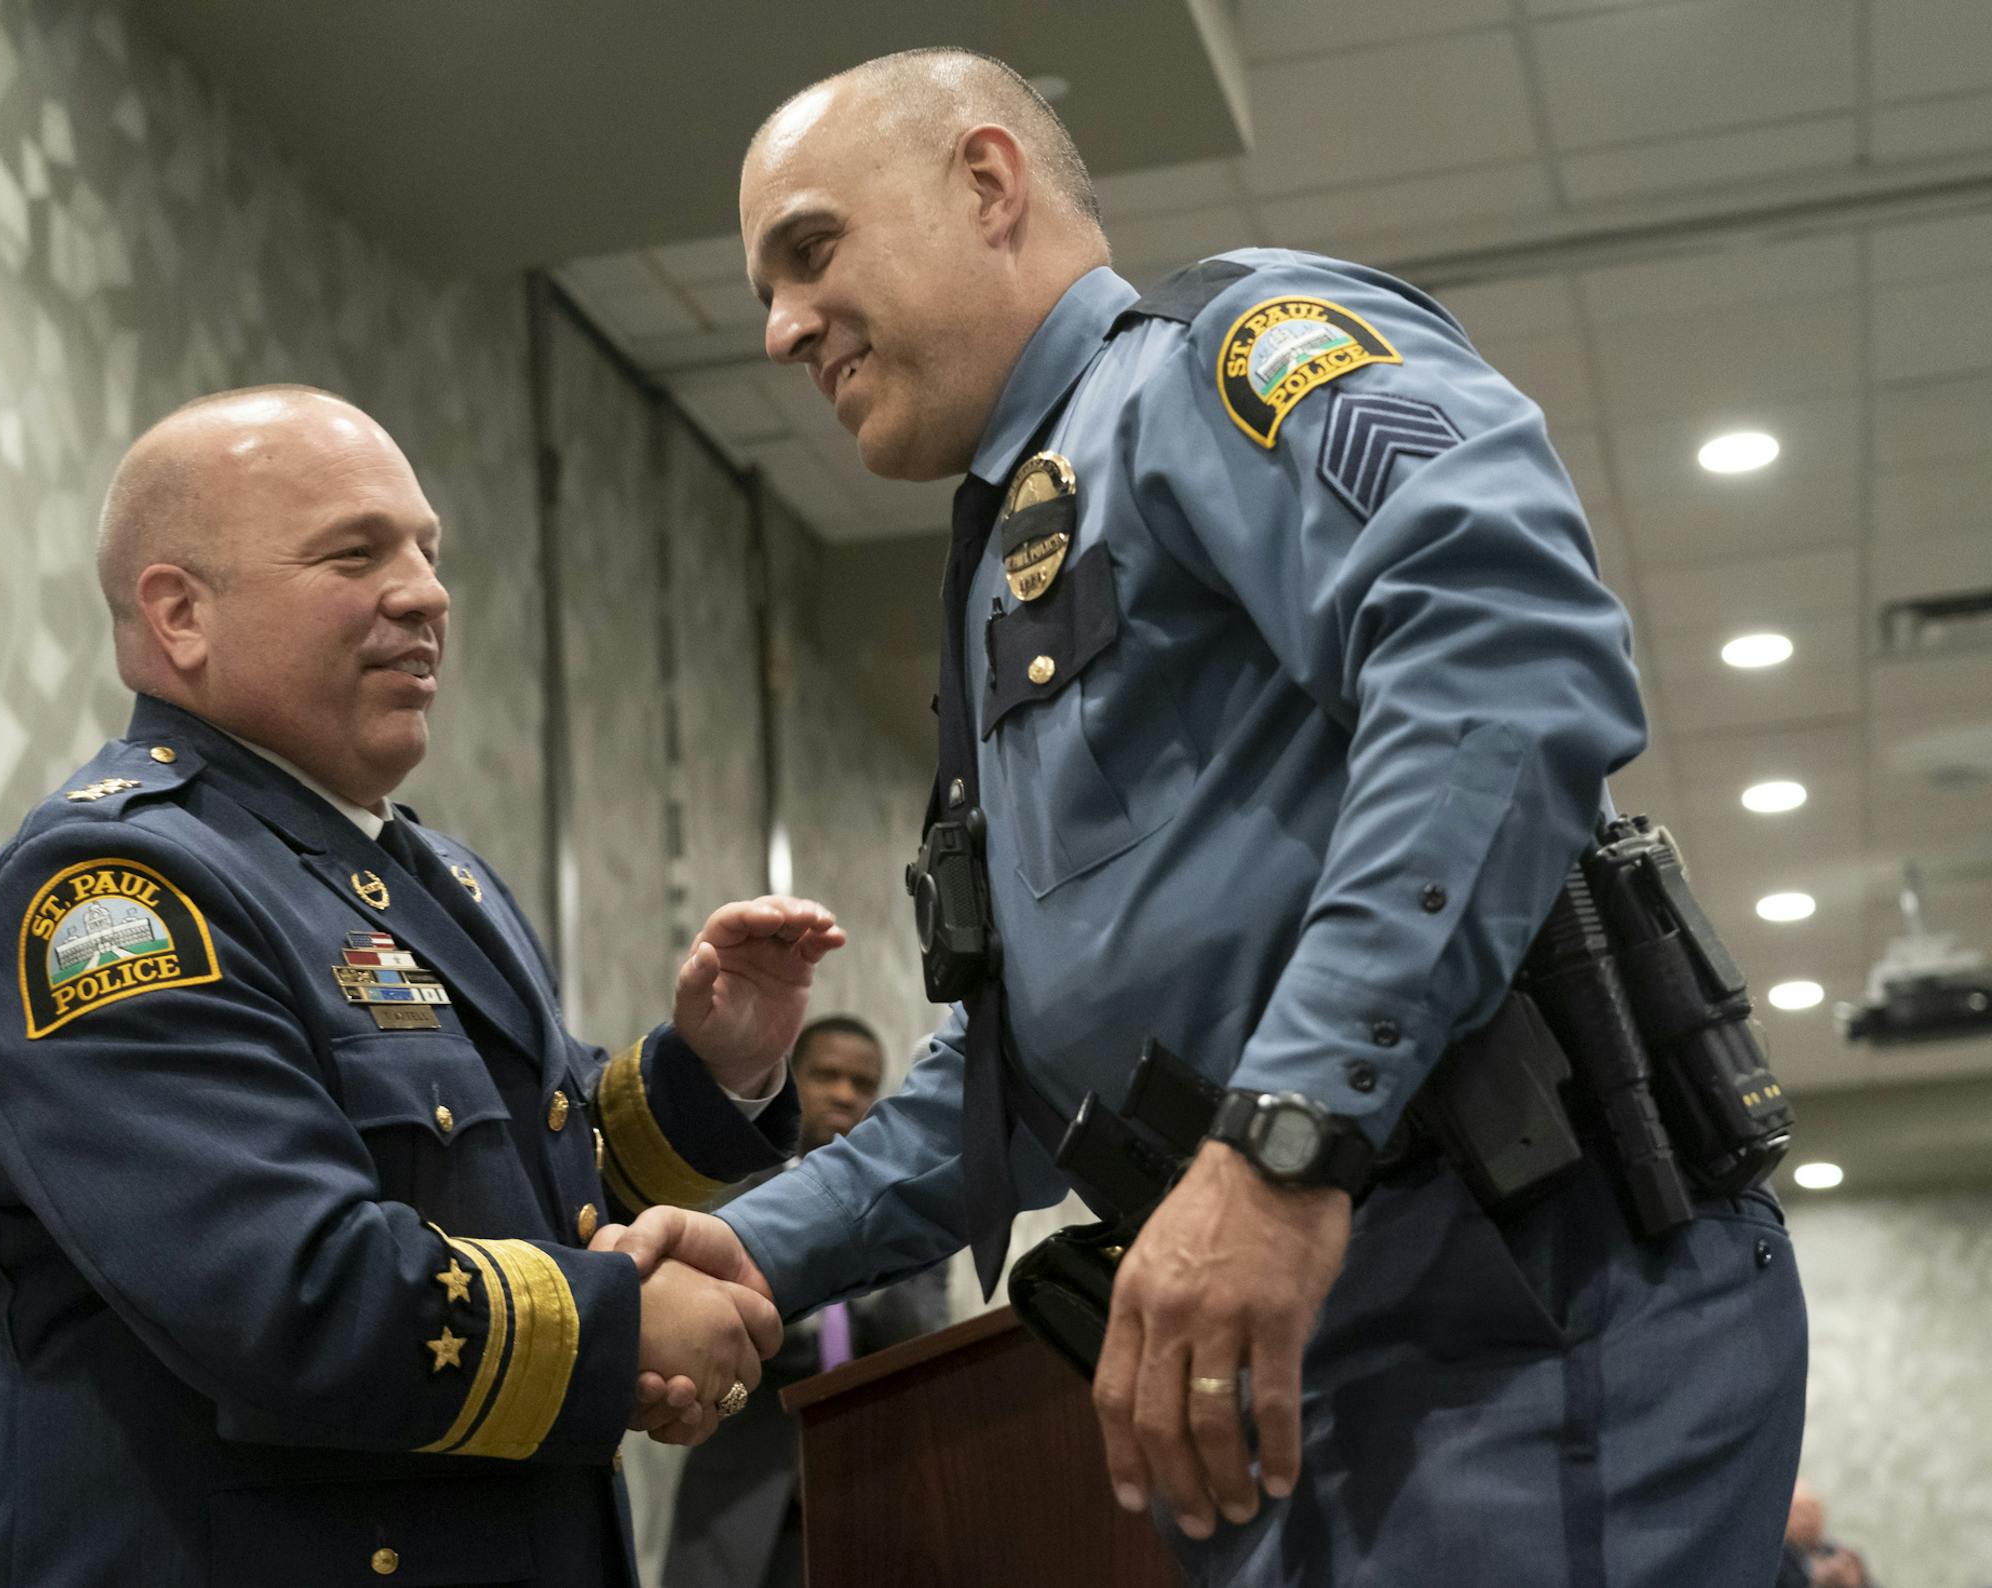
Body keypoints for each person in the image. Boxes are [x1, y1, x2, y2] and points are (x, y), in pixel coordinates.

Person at [601, 47, 1809, 1586]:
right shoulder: (1011, 550)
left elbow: (1503, 658)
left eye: (810, 251)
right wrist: (763, 1244)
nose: (776, 329)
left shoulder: (1226, 356)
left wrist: (1281, 1146)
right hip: (1288, 1369)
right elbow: (1025, 1072)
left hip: (1514, 1306)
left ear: (987, 182)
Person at [0, 385, 844, 1588]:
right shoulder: (113, 892)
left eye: (428, 552)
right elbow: (288, 1289)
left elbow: (527, 1164)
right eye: (356, 553)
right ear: (180, 613)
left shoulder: (431, 874)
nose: (427, 592)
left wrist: (709, 1071)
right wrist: (626, 1328)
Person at [661, 1017, 951, 1588]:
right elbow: (716, 1325)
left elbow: (918, 1329)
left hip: (867, 1484)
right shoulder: (735, 1184)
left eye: (864, 1084)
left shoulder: (912, 1202)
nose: (845, 1094)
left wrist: (872, 1239)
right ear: (795, 1079)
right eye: (828, 1075)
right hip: (743, 1486)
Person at [1778, 1482, 1878, 1588]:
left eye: (1814, 1511)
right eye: (1801, 1513)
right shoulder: (1779, 1558)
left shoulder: (1835, 1553)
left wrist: (1859, 1582)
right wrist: (1811, 1575)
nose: (1810, 1520)